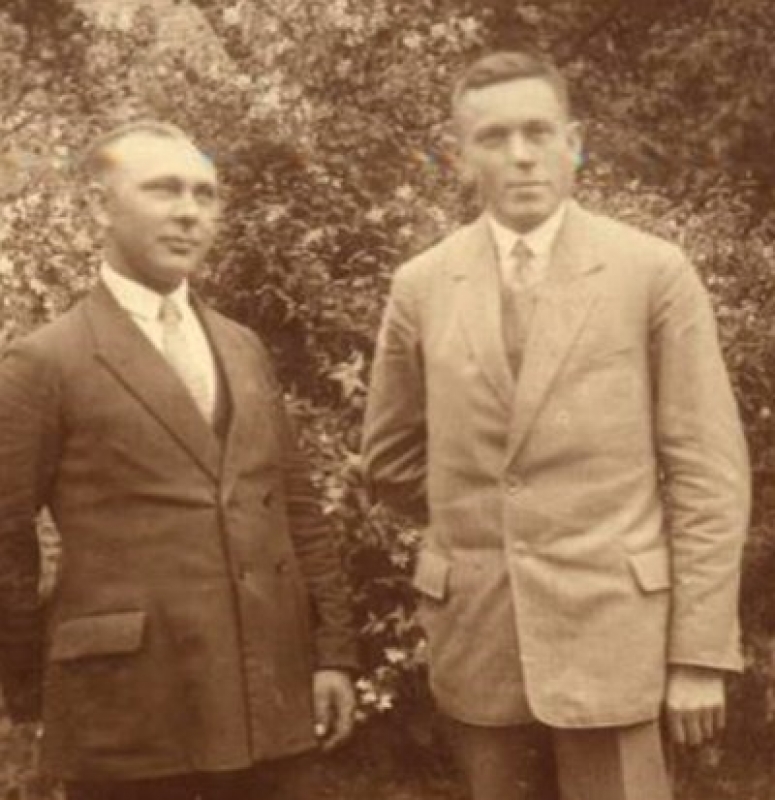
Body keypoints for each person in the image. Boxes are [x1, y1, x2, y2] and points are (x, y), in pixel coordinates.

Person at [362, 50, 750, 800]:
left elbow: (708, 472)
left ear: (572, 144)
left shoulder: (650, 272)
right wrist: (485, 533)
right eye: (493, 137)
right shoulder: (422, 284)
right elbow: (391, 460)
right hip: (481, 635)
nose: (520, 155)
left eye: (538, 132)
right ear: (458, 155)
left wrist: (699, 653)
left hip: (615, 636)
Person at [0, 121, 357, 800]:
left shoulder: (243, 347)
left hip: (269, 699)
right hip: (128, 716)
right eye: (164, 190)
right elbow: (4, 534)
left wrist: (332, 652)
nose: (190, 212)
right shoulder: (45, 361)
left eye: (205, 193)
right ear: (100, 207)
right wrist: (31, 681)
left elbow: (297, 508)